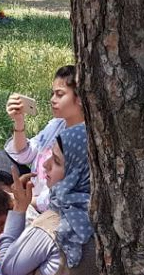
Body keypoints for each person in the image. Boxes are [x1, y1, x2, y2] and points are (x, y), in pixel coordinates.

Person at [0, 124, 98, 275]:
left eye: (58, 162)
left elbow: (7, 265)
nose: (45, 164)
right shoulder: (108, 214)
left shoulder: (54, 223)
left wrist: (19, 209)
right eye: (50, 156)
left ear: (78, 171)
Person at [5, 65, 84, 215]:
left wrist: (18, 200)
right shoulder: (57, 124)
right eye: (52, 93)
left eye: (59, 94)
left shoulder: (81, 140)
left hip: (48, 206)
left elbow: (59, 196)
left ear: (79, 98)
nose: (52, 100)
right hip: (34, 185)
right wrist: (19, 121)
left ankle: (11, 197)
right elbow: (24, 154)